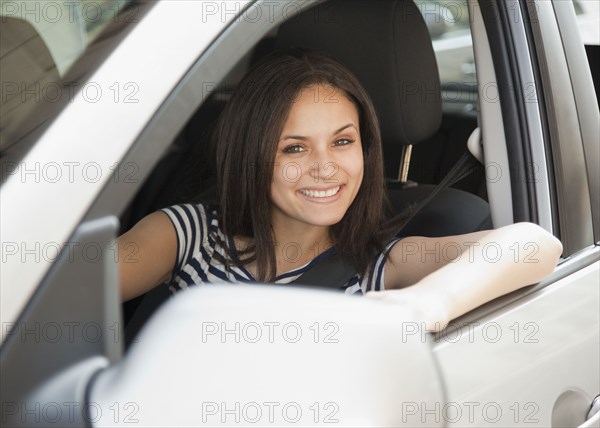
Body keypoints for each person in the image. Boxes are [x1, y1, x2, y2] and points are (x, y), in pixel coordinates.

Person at [117, 49, 562, 331]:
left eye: (343, 142)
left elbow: (535, 244)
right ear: (251, 156)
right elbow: (63, 289)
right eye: (294, 148)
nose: (326, 168)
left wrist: (426, 302)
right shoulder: (188, 235)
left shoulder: (373, 266)